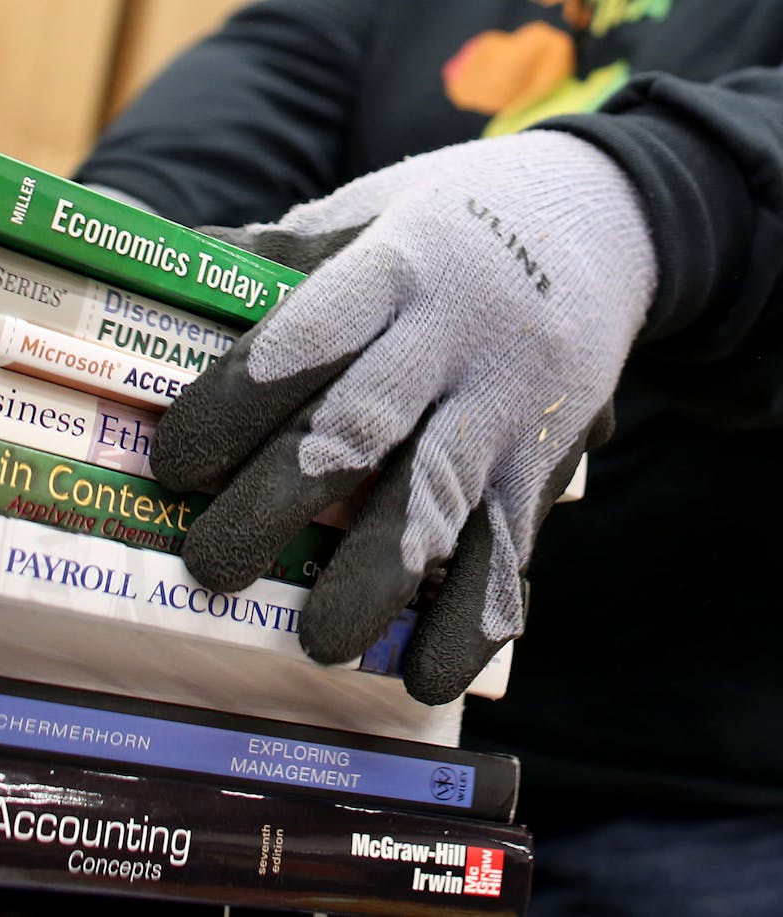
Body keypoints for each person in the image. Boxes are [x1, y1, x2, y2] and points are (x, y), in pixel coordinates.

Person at [74, 1, 783, 913]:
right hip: (283, 732)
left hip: (690, 804)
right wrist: (94, 265)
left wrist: (641, 198)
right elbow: (223, 129)